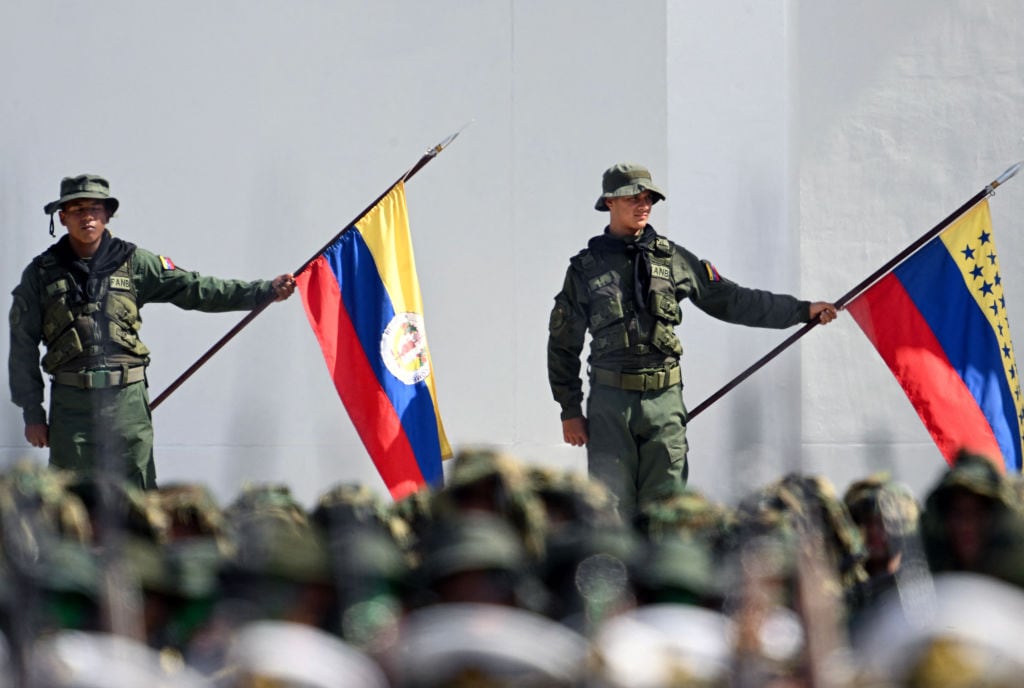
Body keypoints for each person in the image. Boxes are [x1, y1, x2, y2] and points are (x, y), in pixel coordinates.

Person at [547, 163, 837, 517]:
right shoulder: (585, 268)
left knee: (667, 510)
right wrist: (570, 410)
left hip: (664, 402)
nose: (643, 205)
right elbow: (563, 344)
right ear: (610, 202)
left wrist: (801, 310)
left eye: (648, 198)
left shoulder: (672, 259)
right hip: (610, 404)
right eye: (633, 198)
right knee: (610, 512)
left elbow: (732, 300)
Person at [8, 174, 296, 489]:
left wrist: (263, 291)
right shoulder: (40, 273)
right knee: (71, 498)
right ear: (62, 217)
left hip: (126, 401)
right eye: (77, 209)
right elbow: (22, 345)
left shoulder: (135, 263)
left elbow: (196, 289)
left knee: (138, 498)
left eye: (94, 208)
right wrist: (32, 413)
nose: (86, 216)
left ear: (107, 215)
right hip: (71, 405)